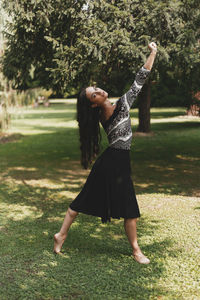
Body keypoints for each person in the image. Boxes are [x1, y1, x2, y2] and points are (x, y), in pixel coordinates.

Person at [54, 42, 157, 264]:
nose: (99, 90)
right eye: (94, 95)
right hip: (113, 163)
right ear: (94, 105)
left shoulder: (114, 108)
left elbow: (141, 78)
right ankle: (136, 251)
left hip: (115, 162)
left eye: (97, 88)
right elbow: (140, 79)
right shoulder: (118, 107)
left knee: (87, 200)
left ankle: (61, 235)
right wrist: (153, 52)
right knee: (129, 209)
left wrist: (153, 53)